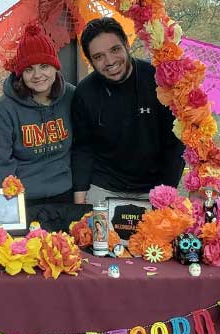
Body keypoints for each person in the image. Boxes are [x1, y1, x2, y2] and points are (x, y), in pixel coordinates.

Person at [71, 17, 184, 205]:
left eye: (115, 50)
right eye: (98, 56)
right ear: (90, 61)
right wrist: (80, 196)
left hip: (154, 188)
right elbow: (82, 148)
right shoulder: (84, 92)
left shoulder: (159, 81)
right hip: (103, 187)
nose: (110, 61)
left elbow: (175, 144)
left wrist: (167, 192)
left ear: (127, 45)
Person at [0, 23, 75, 211]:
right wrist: (10, 206)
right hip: (23, 200)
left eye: (44, 66)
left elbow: (83, 147)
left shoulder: (71, 97)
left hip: (66, 193)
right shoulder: (5, 108)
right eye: (29, 69)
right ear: (20, 74)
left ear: (55, 67)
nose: (37, 75)